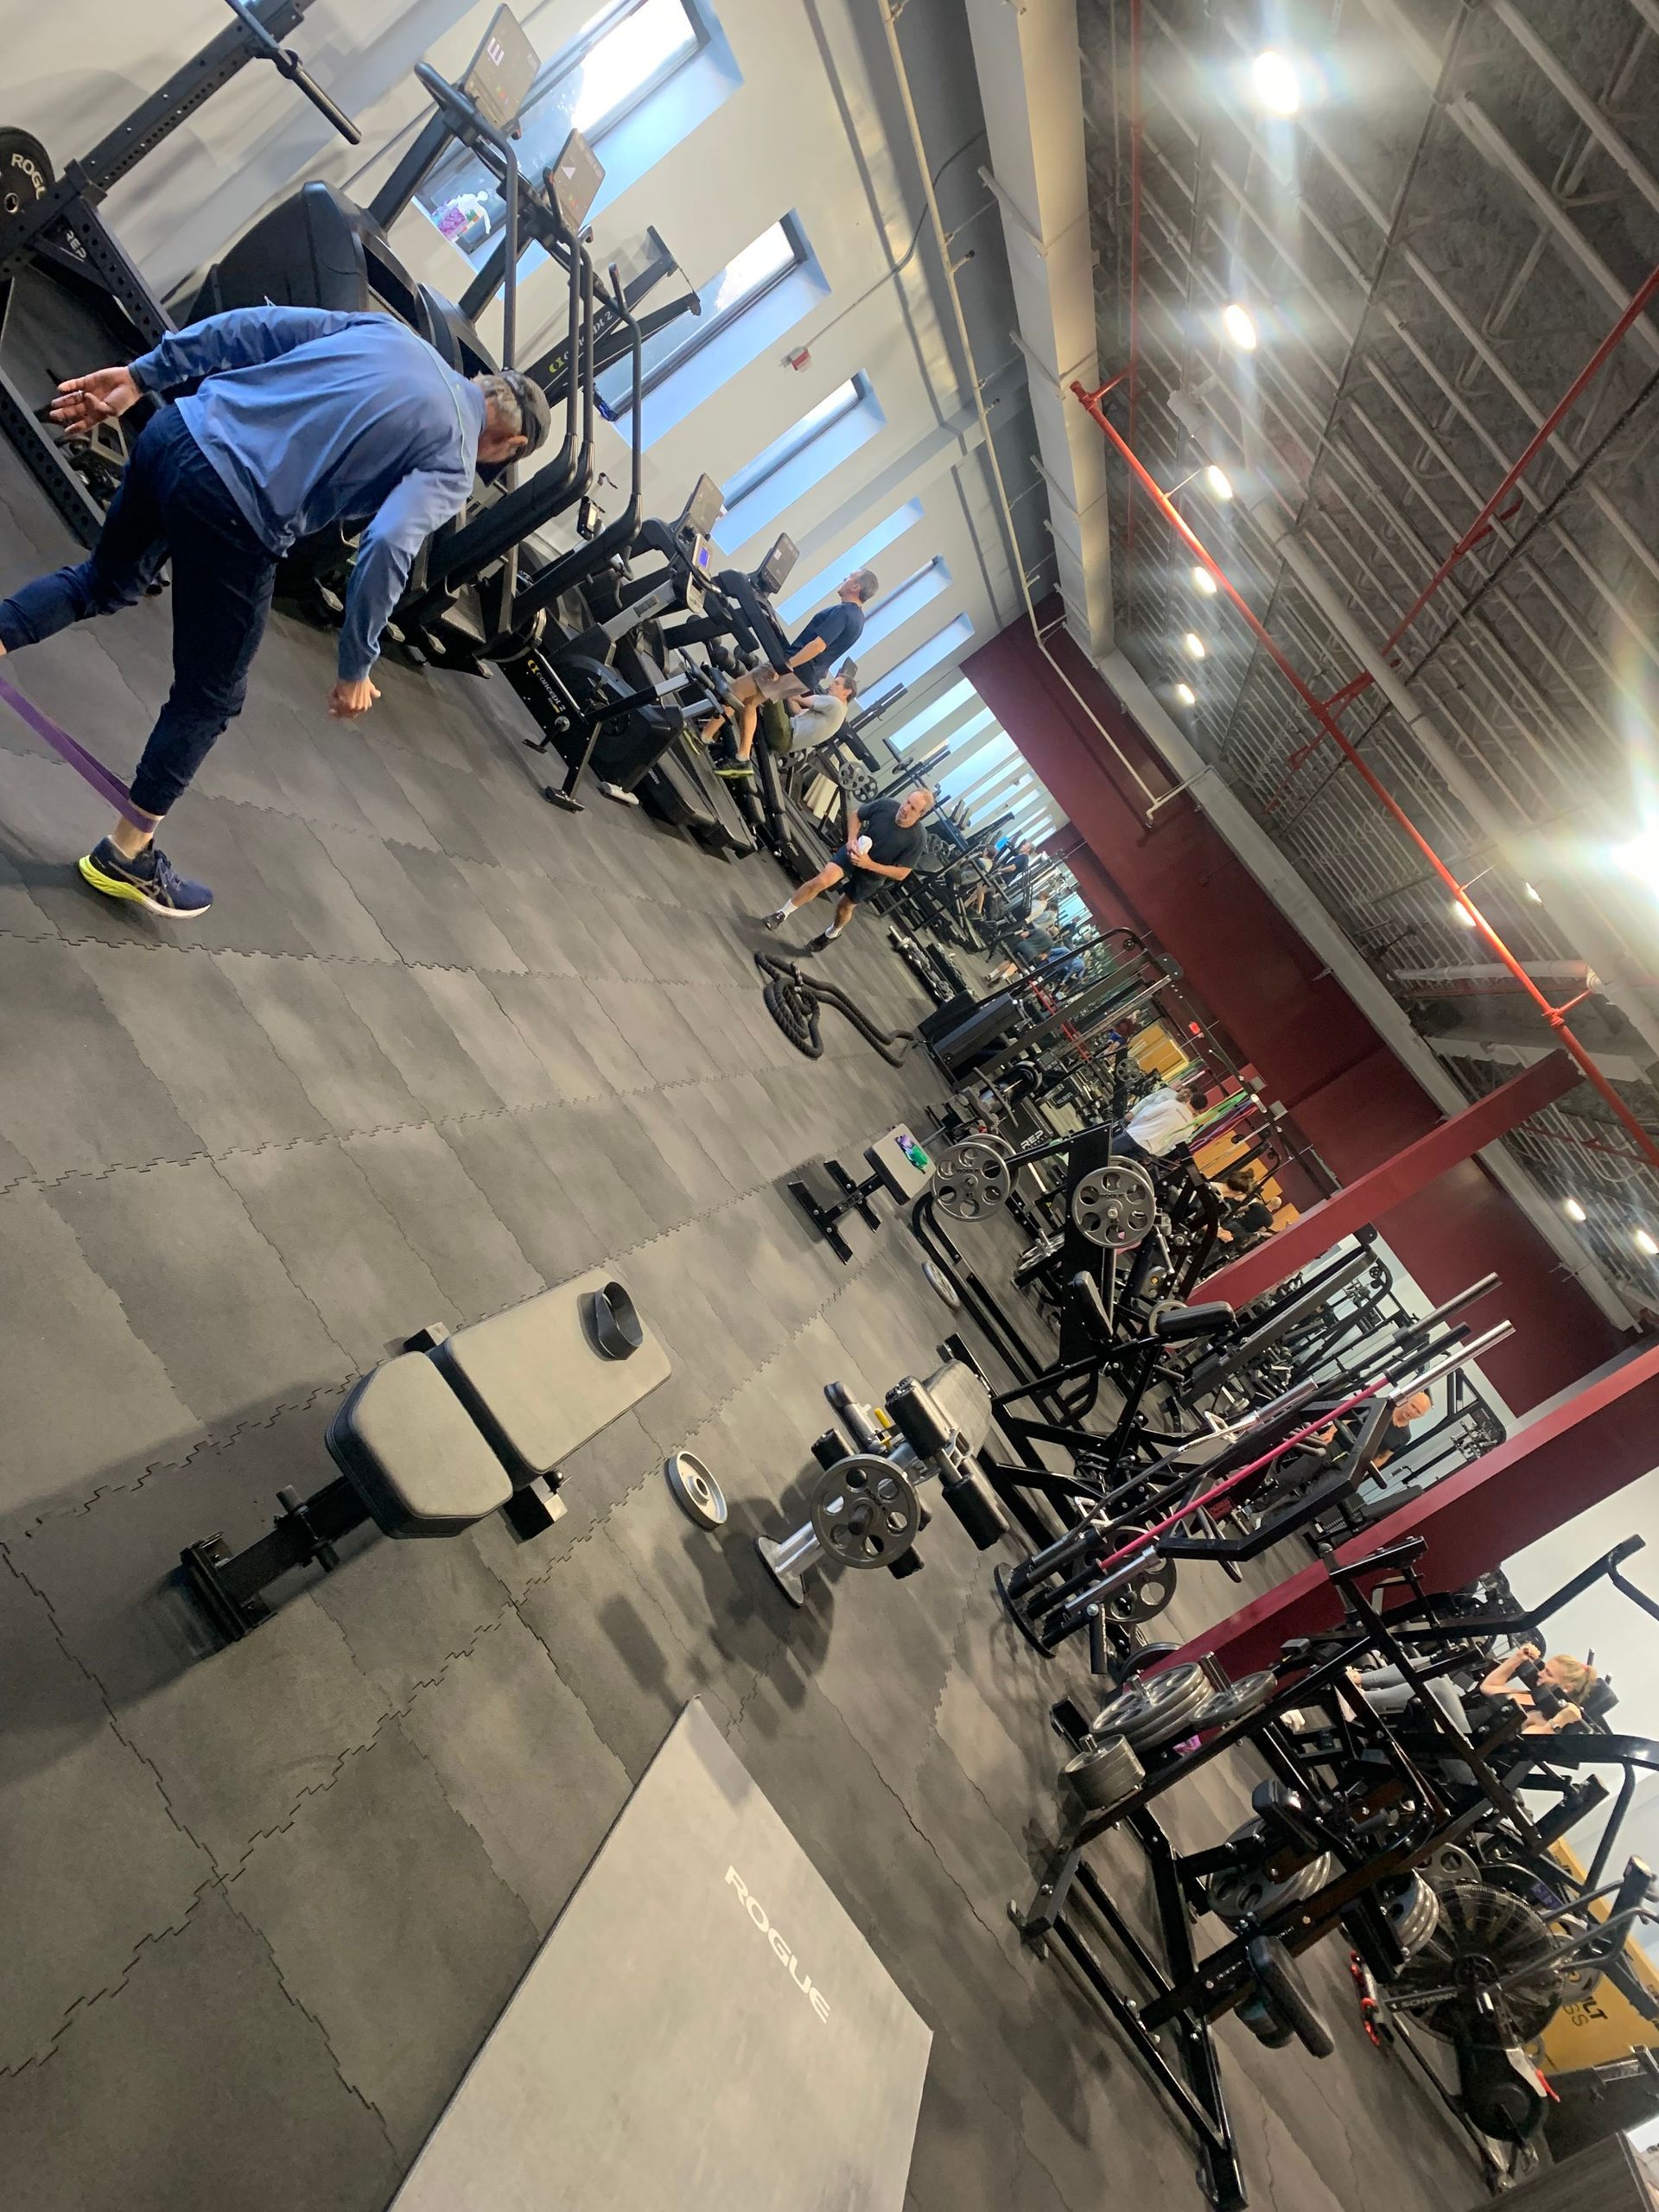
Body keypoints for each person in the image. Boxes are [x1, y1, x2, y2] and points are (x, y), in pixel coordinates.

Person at [0, 306, 549, 917]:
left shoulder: (391, 334)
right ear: (510, 444)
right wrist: (356, 665)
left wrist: (142, 375)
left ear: (482, 381)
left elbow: (246, 330)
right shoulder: (452, 457)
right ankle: (125, 854)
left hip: (177, 431)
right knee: (209, 700)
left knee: (101, 581)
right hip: (237, 510)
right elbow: (390, 544)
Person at [759, 786, 935, 944]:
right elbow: (856, 815)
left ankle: (833, 933)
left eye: (913, 808)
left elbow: (902, 873)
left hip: (874, 873)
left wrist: (870, 864)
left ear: (921, 815)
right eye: (907, 802)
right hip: (855, 852)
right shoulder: (886, 805)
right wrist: (851, 840)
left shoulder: (918, 839)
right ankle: (782, 913)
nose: (905, 808)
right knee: (821, 880)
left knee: (844, 907)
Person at [706, 667, 858, 781]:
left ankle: (741, 757)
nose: (831, 684)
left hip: (784, 734)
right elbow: (797, 711)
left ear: (847, 691)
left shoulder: (835, 704)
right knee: (767, 691)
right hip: (786, 741)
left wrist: (785, 681)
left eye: (836, 683)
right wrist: (788, 694)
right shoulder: (840, 713)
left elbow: (800, 699)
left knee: (769, 687)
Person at [785, 569, 879, 689]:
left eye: (850, 577)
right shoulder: (858, 619)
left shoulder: (844, 613)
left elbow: (818, 646)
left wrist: (787, 666)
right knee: (753, 702)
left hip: (798, 669)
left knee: (752, 691)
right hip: (807, 677)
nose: (845, 579)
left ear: (855, 587)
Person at [1114, 1078, 1210, 1164]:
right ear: (1199, 1110)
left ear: (1191, 1099)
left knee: (1105, 1154)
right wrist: (1154, 1153)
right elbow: (1171, 1145)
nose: (1185, 1095)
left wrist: (1132, 1128)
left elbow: (1147, 1116)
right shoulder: (1189, 1128)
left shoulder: (1173, 1104)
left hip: (1135, 1135)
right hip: (1147, 1149)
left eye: (1188, 1095)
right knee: (1115, 1166)